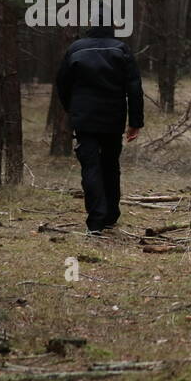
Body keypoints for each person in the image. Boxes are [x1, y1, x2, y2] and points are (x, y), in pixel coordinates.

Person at [55, 23, 144, 235]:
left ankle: (96, 220)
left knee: (91, 167)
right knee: (110, 165)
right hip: (112, 119)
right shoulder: (120, 49)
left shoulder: (76, 49)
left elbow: (62, 83)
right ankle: (110, 216)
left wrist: (72, 109)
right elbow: (134, 87)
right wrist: (135, 121)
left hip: (84, 119)